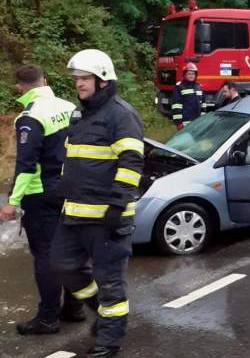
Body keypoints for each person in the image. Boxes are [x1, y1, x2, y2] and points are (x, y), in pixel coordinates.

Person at [50, 49, 144, 357]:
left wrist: (117, 207)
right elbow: (73, 159)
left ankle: (109, 342)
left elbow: (131, 164)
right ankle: (101, 312)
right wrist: (62, 190)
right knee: (63, 266)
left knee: (110, 283)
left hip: (106, 217)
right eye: (77, 78)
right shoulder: (79, 114)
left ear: (103, 80)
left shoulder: (122, 115)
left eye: (85, 78)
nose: (79, 83)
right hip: (74, 213)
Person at [0, 65, 84, 335]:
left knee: (45, 256)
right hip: (72, 187)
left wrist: (12, 201)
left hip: (42, 193)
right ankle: (74, 308)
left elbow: (25, 165)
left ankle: (48, 318)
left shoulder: (30, 117)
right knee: (71, 249)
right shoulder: (69, 106)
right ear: (45, 81)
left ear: (20, 88)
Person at [170, 62, 204, 129]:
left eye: (193, 74)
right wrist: (178, 123)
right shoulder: (179, 87)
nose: (191, 76)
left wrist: (203, 120)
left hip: (198, 122)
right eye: (189, 74)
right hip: (185, 123)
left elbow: (203, 105)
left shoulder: (199, 87)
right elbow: (176, 106)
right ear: (185, 75)